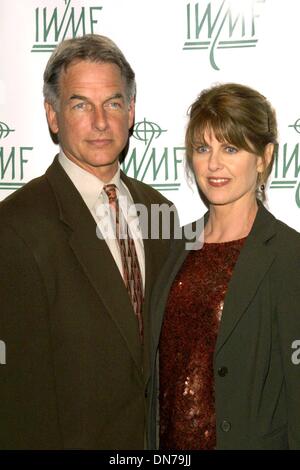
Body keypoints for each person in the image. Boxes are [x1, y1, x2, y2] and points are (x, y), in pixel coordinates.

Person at [0, 34, 174, 449]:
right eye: (80, 104)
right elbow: (17, 396)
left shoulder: (161, 210)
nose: (100, 122)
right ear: (53, 115)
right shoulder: (16, 226)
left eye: (113, 103)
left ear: (131, 112)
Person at [149, 83, 300, 450]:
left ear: (264, 157)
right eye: (203, 148)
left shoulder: (287, 254)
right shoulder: (174, 247)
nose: (214, 164)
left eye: (230, 148)